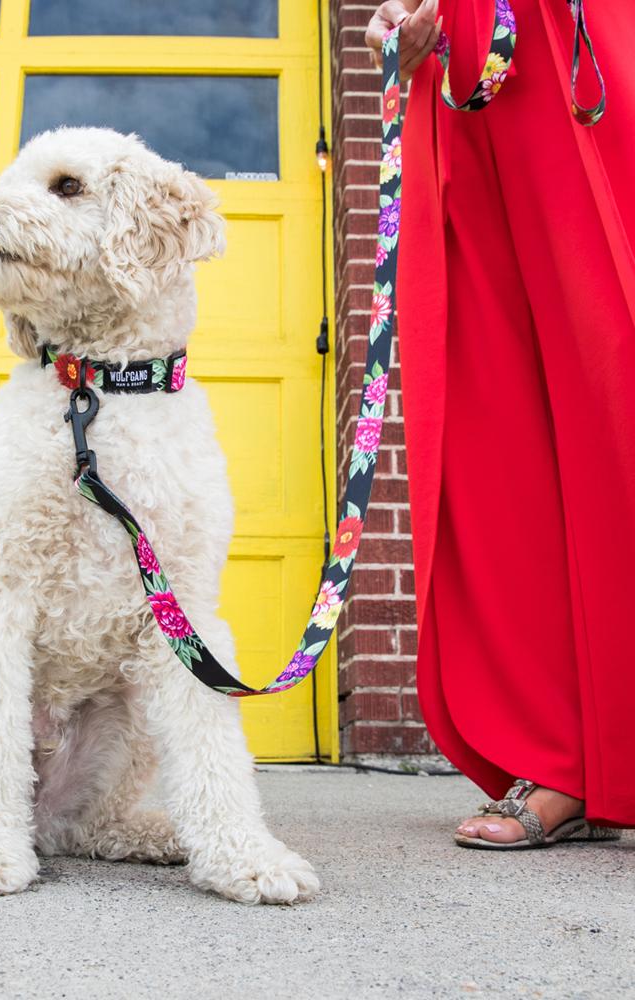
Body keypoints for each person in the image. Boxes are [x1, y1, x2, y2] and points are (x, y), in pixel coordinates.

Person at [364, 0, 635, 847]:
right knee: (503, 416)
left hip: (588, 33)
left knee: (615, 374)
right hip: (477, 63)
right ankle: (568, 759)